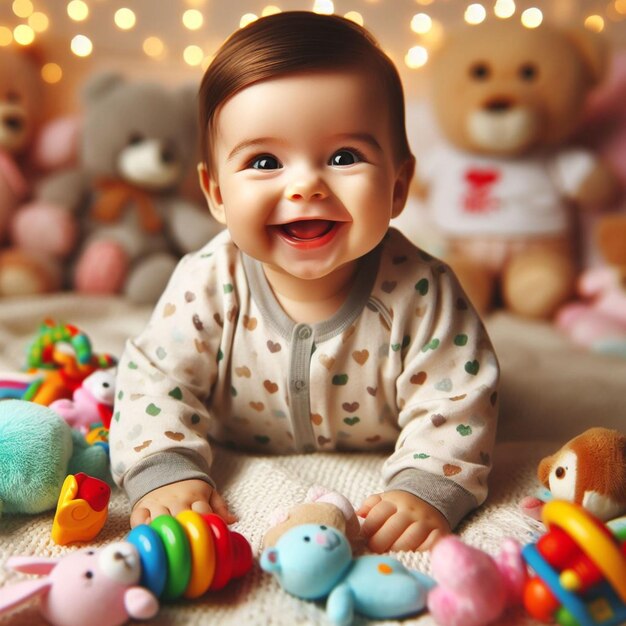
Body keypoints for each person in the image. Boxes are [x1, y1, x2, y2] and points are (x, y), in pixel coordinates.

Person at [110, 11, 499, 553]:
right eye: (265, 160)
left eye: (344, 157)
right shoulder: (209, 280)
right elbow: (153, 378)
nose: (305, 186)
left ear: (398, 185)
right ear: (216, 193)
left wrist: (429, 486)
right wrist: (165, 466)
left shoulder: (423, 293)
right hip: (232, 434)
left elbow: (460, 396)